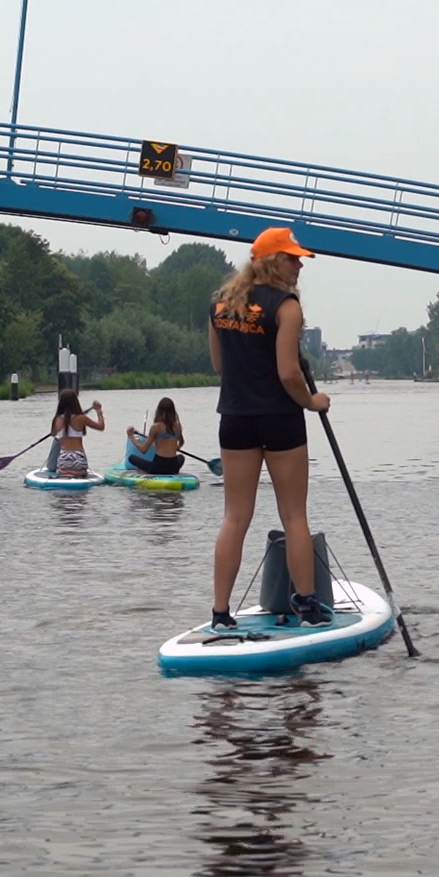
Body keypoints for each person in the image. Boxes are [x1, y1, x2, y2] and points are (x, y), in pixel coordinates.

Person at [208, 226, 333, 630]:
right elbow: (289, 374)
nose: (299, 265)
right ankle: (308, 607)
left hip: (236, 419)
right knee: (294, 515)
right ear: (271, 262)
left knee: (235, 517)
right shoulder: (287, 307)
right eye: (292, 258)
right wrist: (313, 402)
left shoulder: (220, 306)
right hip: (280, 418)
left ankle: (221, 612)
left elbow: (219, 366)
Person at [125, 396, 185, 475]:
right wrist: (174, 447)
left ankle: (144, 471)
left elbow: (143, 450)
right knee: (181, 457)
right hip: (172, 467)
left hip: (157, 468)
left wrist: (132, 437)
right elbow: (181, 442)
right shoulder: (178, 426)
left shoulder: (156, 427)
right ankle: (171, 470)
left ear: (159, 411)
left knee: (132, 458)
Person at [50, 390, 104, 477]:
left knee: (57, 441)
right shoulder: (82, 418)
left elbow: (53, 434)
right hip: (79, 459)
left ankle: (63, 473)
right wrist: (99, 411)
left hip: (63, 461)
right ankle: (79, 473)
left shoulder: (57, 419)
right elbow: (101, 427)